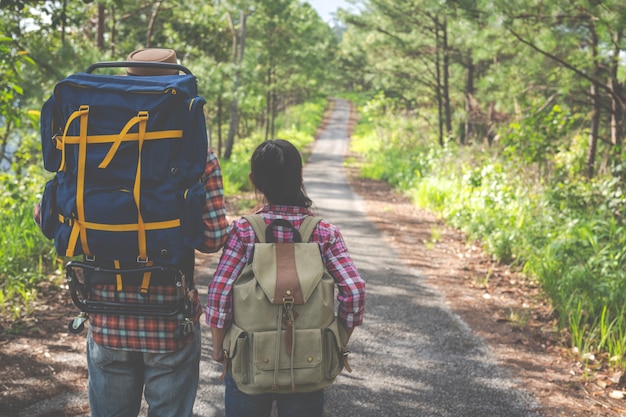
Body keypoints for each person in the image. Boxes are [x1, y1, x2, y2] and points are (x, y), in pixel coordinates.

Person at [35, 48, 229, 417]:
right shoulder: (198, 155)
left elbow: (49, 217)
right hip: (170, 315)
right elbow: (213, 238)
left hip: (105, 315)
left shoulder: (85, 143)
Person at [206, 139, 366, 417]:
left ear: (254, 180)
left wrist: (219, 349)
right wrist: (337, 341)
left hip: (248, 361)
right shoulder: (324, 233)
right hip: (308, 362)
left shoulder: (244, 231)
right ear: (300, 176)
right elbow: (354, 292)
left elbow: (220, 293)